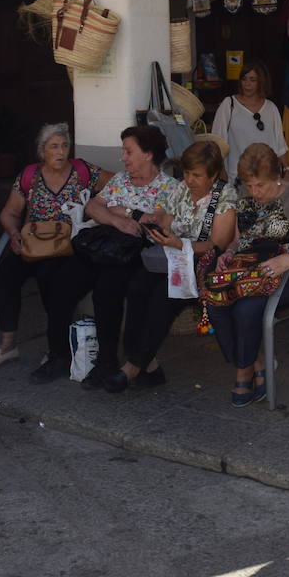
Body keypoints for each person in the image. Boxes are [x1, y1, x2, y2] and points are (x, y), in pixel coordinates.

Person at [103, 139, 239, 393]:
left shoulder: (224, 197)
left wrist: (180, 244)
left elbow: (217, 245)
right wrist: (160, 232)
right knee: (137, 286)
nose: (189, 180)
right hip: (173, 258)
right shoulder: (182, 189)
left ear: (213, 176)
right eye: (186, 173)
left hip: (203, 264)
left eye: (197, 175)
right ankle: (148, 365)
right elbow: (166, 221)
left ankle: (132, 367)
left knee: (162, 297)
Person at [205, 143, 289, 407]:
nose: (255, 192)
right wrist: (229, 253)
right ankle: (256, 362)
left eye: (261, 185)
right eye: (250, 185)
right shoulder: (244, 193)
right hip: (250, 273)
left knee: (246, 309)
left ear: (277, 176)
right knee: (215, 301)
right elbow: (238, 240)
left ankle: (243, 373)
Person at [0, 123, 107, 377]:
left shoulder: (82, 171)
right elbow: (9, 212)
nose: (60, 151)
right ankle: (8, 345)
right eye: (54, 146)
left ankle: (56, 347)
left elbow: (119, 184)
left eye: (64, 145)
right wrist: (14, 233)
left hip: (67, 245)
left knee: (50, 276)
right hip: (34, 244)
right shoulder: (30, 175)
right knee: (6, 272)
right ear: (42, 151)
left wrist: (99, 207)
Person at [80, 125, 180, 387]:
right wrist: (120, 220)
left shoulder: (169, 187)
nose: (123, 157)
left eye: (128, 151)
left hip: (146, 255)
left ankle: (116, 363)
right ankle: (116, 362)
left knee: (113, 284)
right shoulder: (120, 180)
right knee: (97, 282)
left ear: (147, 154)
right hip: (113, 250)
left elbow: (156, 221)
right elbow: (92, 206)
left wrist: (121, 210)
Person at [211, 62, 287, 181]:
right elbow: (216, 142)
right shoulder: (229, 105)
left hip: (267, 177)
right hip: (236, 177)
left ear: (261, 82)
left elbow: (280, 145)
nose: (247, 84)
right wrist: (221, 171)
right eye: (244, 79)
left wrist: (287, 170)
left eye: (252, 80)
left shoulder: (271, 108)